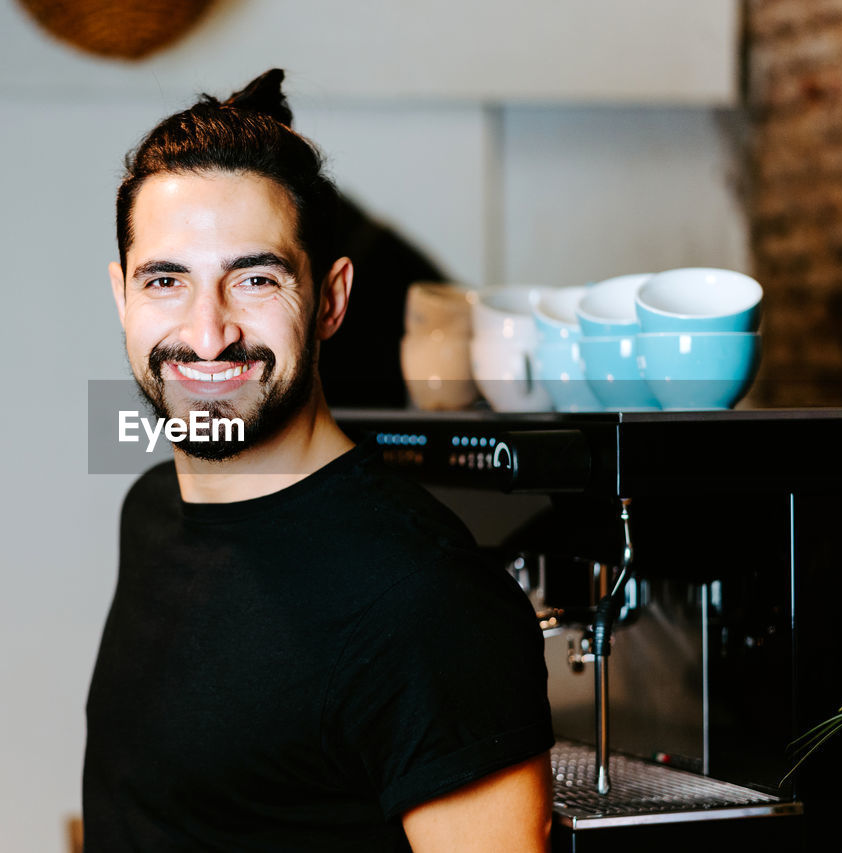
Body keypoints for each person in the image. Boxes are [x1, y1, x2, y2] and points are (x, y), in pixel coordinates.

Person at [84, 69, 554, 852]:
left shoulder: (425, 600)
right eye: (166, 281)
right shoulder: (154, 508)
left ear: (331, 299)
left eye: (256, 279)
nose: (207, 335)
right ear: (123, 296)